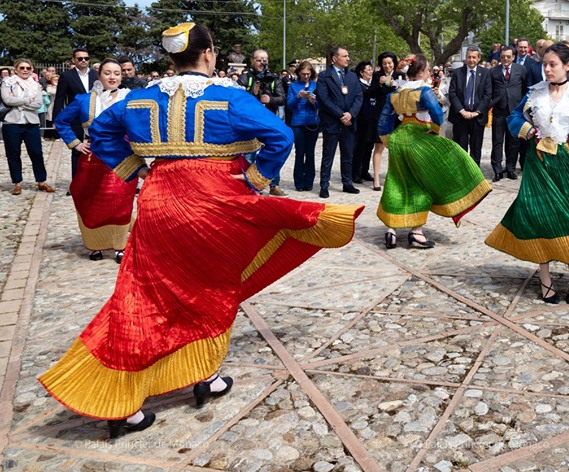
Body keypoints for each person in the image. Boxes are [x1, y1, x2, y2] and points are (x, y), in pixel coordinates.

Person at [39, 22, 362, 439]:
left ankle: (121, 399)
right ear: (209, 53)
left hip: (158, 203)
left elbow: (99, 131)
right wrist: (255, 180)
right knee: (211, 290)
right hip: (214, 205)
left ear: (172, 58)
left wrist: (135, 169)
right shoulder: (229, 96)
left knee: (143, 293)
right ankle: (203, 376)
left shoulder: (138, 99)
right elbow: (279, 136)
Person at [486, 43, 569, 304]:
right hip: (537, 163)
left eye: (552, 65)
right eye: (544, 64)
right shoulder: (534, 93)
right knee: (538, 217)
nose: (546, 69)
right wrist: (526, 129)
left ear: (568, 66)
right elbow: (513, 117)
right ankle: (545, 279)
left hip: (568, 164)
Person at [377, 54, 491, 249]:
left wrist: (388, 140)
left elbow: (383, 121)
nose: (430, 72)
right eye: (428, 70)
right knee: (422, 182)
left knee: (396, 181)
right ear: (421, 72)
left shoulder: (394, 93)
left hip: (398, 137)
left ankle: (391, 230)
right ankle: (416, 232)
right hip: (418, 136)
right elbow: (437, 114)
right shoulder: (424, 90)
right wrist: (435, 131)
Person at [53, 59, 135, 261]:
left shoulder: (130, 99)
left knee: (120, 201)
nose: (113, 77)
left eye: (117, 73)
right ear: (99, 76)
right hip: (92, 158)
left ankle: (119, 245)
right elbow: (61, 120)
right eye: (107, 73)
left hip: (122, 158)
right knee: (89, 199)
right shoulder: (84, 99)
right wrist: (75, 143)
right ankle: (95, 244)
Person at [2, 58, 56, 195]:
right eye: (22, 68)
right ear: (16, 70)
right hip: (12, 122)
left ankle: (41, 181)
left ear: (32, 70)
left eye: (28, 68)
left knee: (36, 152)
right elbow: (7, 100)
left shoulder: (36, 85)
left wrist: (18, 102)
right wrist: (27, 100)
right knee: (13, 154)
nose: (25, 70)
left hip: (31, 123)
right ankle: (17, 182)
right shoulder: (8, 83)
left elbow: (38, 104)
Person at [316, 45, 362, 198]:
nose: (348, 58)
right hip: (332, 122)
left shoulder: (352, 76)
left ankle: (347, 182)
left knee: (347, 155)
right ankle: (324, 184)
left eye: (348, 56)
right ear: (335, 58)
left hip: (349, 123)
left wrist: (351, 114)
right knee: (328, 155)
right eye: (345, 56)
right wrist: (341, 115)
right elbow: (324, 99)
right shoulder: (324, 76)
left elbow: (358, 97)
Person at [238, 49, 286, 195]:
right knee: (250, 153)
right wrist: (253, 94)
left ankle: (274, 184)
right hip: (250, 121)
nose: (262, 63)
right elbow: (238, 97)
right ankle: (249, 184)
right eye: (258, 60)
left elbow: (283, 98)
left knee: (273, 151)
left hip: (269, 119)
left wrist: (270, 99)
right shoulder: (245, 78)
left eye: (264, 60)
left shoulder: (274, 78)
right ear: (252, 60)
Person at [53, 48, 98, 178]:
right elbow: (60, 98)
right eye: (80, 58)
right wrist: (57, 118)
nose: (83, 60)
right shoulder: (66, 76)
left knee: (97, 149)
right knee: (77, 150)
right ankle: (76, 182)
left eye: (86, 58)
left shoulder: (96, 74)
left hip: (94, 117)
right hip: (75, 117)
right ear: (73, 60)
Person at [448, 46, 492, 166]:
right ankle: (461, 174)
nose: (471, 60)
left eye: (474, 57)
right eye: (469, 57)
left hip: (477, 117)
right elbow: (452, 94)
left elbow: (487, 96)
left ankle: (474, 175)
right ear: (465, 58)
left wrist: (477, 112)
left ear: (478, 58)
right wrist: (462, 111)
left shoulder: (485, 73)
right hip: (460, 117)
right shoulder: (457, 73)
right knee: (460, 149)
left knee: (476, 149)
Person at [490, 46, 527, 181]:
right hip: (499, 111)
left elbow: (524, 88)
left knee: (513, 142)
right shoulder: (493, 71)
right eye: (503, 56)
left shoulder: (520, 69)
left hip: (515, 111)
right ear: (500, 57)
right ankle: (497, 170)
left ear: (513, 57)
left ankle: (510, 168)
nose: (506, 59)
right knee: (497, 142)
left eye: (508, 56)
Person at [285, 60, 321, 191]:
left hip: (312, 122)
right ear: (299, 73)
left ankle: (309, 182)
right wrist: (299, 96)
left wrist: (313, 102)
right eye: (303, 74)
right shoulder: (293, 86)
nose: (306, 76)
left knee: (310, 153)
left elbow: (321, 105)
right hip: (298, 123)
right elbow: (289, 105)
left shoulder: (316, 85)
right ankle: (299, 182)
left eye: (308, 73)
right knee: (300, 152)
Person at [371, 52, 400, 191]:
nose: (387, 66)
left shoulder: (401, 75)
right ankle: (376, 178)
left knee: (394, 149)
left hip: (397, 115)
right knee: (379, 147)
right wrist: (379, 83)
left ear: (394, 62)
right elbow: (371, 92)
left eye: (389, 63)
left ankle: (392, 177)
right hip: (381, 114)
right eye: (384, 63)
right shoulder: (377, 76)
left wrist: (397, 85)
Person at [351, 60, 378, 186]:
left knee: (369, 147)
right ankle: (355, 172)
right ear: (361, 73)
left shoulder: (372, 84)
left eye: (371, 69)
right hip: (360, 120)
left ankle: (364, 171)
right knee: (359, 147)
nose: (370, 71)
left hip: (371, 120)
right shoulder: (358, 85)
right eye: (367, 69)